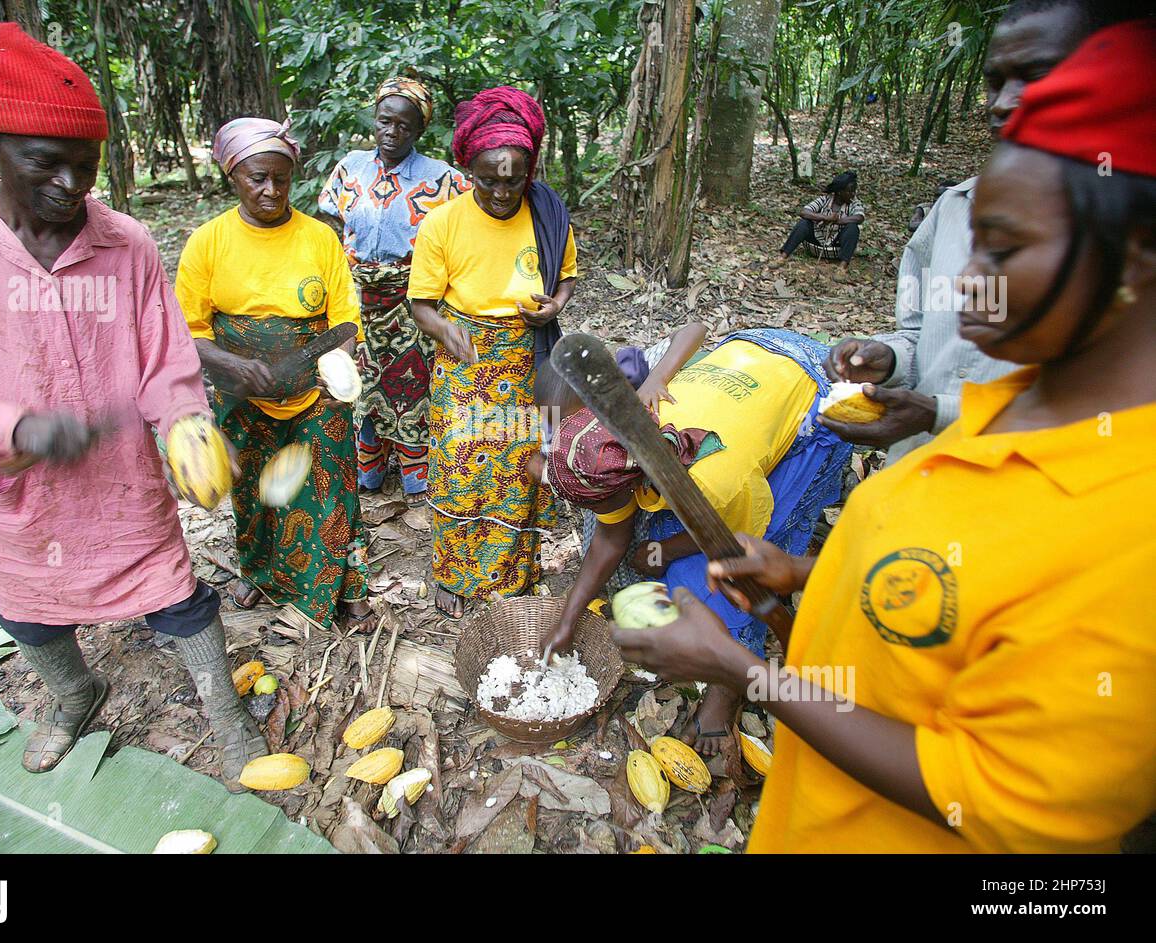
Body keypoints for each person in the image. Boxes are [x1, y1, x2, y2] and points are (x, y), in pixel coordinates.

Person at [613, 20, 1156, 851]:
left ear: (1134, 259)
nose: (966, 283)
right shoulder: (1014, 403)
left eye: (1002, 251)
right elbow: (946, 589)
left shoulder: (1130, 524)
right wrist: (801, 572)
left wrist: (743, 672)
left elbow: (995, 802)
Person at [0, 23, 267, 790]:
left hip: (121, 482)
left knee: (176, 598)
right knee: (29, 610)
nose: (73, 185)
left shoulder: (128, 244)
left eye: (87, 165)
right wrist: (2, 425)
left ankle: (223, 710)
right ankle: (75, 692)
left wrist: (187, 426)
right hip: (16, 494)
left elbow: (165, 363)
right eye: (47, 163)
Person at [819, 0, 1140, 460]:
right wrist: (886, 360)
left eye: (1037, 75)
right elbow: (919, 336)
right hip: (918, 477)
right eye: (995, 82)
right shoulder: (953, 208)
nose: (1005, 102)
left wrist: (939, 413)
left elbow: (1114, 410)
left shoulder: (1134, 237)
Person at [539, 329, 852, 755]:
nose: (609, 515)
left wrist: (668, 550)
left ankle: (729, 687)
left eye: (610, 505)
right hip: (745, 352)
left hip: (814, 384)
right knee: (665, 535)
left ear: (632, 484)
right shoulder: (617, 443)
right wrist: (567, 618)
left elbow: (740, 544)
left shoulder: (719, 480)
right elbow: (612, 535)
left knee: (763, 541)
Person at [175, 116, 376, 632]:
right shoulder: (208, 242)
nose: (270, 189)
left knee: (331, 489)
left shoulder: (319, 240)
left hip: (315, 391)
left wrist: (336, 363)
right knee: (257, 492)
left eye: (280, 179)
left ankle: (345, 587)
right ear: (232, 176)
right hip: (242, 393)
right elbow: (188, 329)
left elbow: (344, 318)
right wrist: (235, 364)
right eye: (256, 178)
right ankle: (261, 571)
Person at [408, 86, 577, 619]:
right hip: (466, 358)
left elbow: (566, 276)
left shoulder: (546, 214)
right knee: (461, 465)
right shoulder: (444, 223)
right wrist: (445, 330)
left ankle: (511, 574)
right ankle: (455, 576)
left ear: (530, 172)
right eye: (488, 180)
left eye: (514, 179)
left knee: (516, 466)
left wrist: (554, 307)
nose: (502, 192)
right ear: (467, 171)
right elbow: (420, 304)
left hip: (527, 355)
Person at [318, 78, 469, 503]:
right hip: (357, 295)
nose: (392, 132)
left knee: (411, 381)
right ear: (375, 119)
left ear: (419, 130)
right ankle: (368, 469)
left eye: (405, 126)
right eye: (385, 121)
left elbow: (464, 235)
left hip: (412, 297)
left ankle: (415, 473)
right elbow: (330, 227)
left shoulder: (444, 181)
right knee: (360, 382)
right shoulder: (351, 167)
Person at [774, 171, 865, 278]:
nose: (853, 194)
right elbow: (804, 212)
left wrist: (837, 220)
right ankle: (783, 257)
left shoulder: (854, 203)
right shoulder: (824, 200)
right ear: (840, 192)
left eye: (854, 191)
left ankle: (842, 268)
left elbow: (860, 217)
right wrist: (824, 217)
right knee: (804, 223)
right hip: (815, 243)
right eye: (850, 191)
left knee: (852, 228)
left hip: (835, 248)